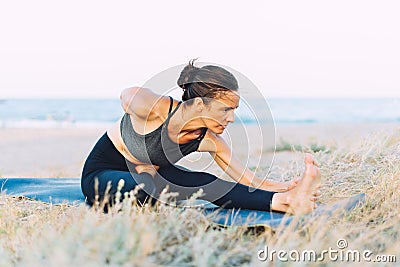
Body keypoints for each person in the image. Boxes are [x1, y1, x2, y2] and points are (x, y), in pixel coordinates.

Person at [81, 59, 321, 214]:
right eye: (226, 109)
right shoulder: (157, 111)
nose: (231, 118)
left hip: (151, 178)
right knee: (150, 187)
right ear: (199, 105)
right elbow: (129, 95)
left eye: (234, 110)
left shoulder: (209, 141)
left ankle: (288, 202)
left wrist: (287, 187)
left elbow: (247, 180)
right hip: (102, 175)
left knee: (207, 183)